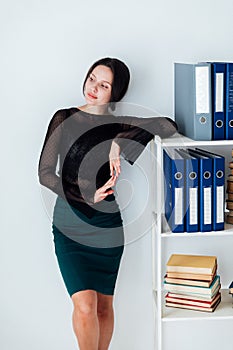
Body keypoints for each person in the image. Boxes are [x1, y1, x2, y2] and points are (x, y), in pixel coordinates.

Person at [38, 57, 177, 350]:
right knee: (85, 305)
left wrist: (118, 142)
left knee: (103, 307)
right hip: (69, 223)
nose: (94, 87)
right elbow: (45, 173)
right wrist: (83, 196)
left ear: (116, 93)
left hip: (107, 226)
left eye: (104, 84)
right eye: (92, 78)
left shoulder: (118, 124)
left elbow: (168, 125)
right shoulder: (64, 117)